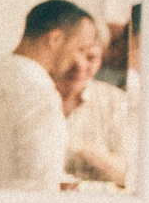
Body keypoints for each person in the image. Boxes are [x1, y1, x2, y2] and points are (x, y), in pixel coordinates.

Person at [0, 0, 99, 191]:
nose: (82, 63)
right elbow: (43, 187)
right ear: (55, 39)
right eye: (80, 49)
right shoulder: (40, 96)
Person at [55, 20, 131, 188]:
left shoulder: (115, 101)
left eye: (91, 58)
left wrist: (82, 147)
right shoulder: (37, 95)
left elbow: (129, 175)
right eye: (72, 56)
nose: (80, 66)